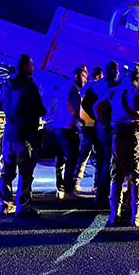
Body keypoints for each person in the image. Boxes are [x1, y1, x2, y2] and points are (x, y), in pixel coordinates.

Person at [104, 63, 139, 226]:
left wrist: (105, 125)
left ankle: (115, 213)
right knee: (137, 174)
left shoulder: (114, 91)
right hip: (136, 134)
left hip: (118, 133)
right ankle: (137, 215)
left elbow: (97, 106)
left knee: (117, 175)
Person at [0, 54, 46, 217]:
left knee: (7, 171)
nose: (34, 67)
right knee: (25, 173)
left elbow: (1, 105)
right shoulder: (29, 87)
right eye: (32, 64)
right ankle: (23, 206)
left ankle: (4, 204)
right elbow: (40, 109)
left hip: (9, 133)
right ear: (26, 67)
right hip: (25, 135)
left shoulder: (6, 85)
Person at [82, 61, 120, 207]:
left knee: (101, 159)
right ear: (112, 71)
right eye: (116, 69)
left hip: (99, 126)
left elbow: (86, 104)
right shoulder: (113, 86)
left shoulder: (95, 86)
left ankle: (100, 193)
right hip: (109, 125)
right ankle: (105, 195)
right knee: (109, 160)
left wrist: (95, 118)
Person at [52, 65, 87, 200]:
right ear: (76, 76)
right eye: (84, 76)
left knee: (61, 159)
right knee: (71, 159)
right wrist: (79, 119)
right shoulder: (73, 88)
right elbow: (70, 104)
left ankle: (61, 190)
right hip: (67, 128)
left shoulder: (66, 85)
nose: (85, 79)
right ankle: (68, 191)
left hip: (58, 127)